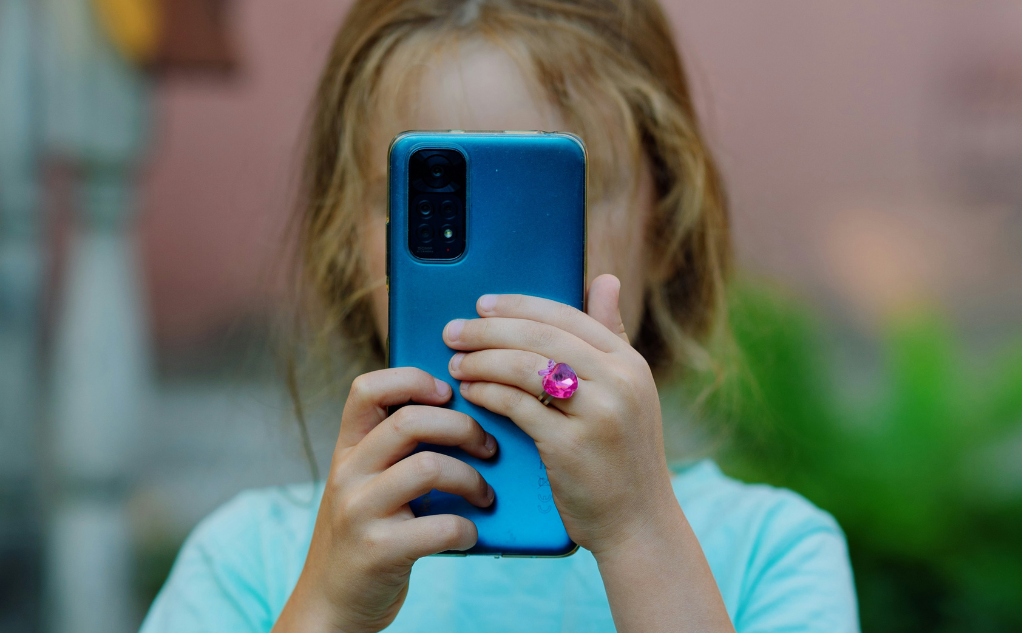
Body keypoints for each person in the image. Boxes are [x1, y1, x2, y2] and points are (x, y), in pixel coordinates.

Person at [140, 1, 859, 631]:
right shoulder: (247, 564)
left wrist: (640, 534)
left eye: (550, 201)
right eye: (429, 199)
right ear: (346, 246)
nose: (499, 281)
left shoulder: (772, 552)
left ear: (664, 225)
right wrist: (328, 612)